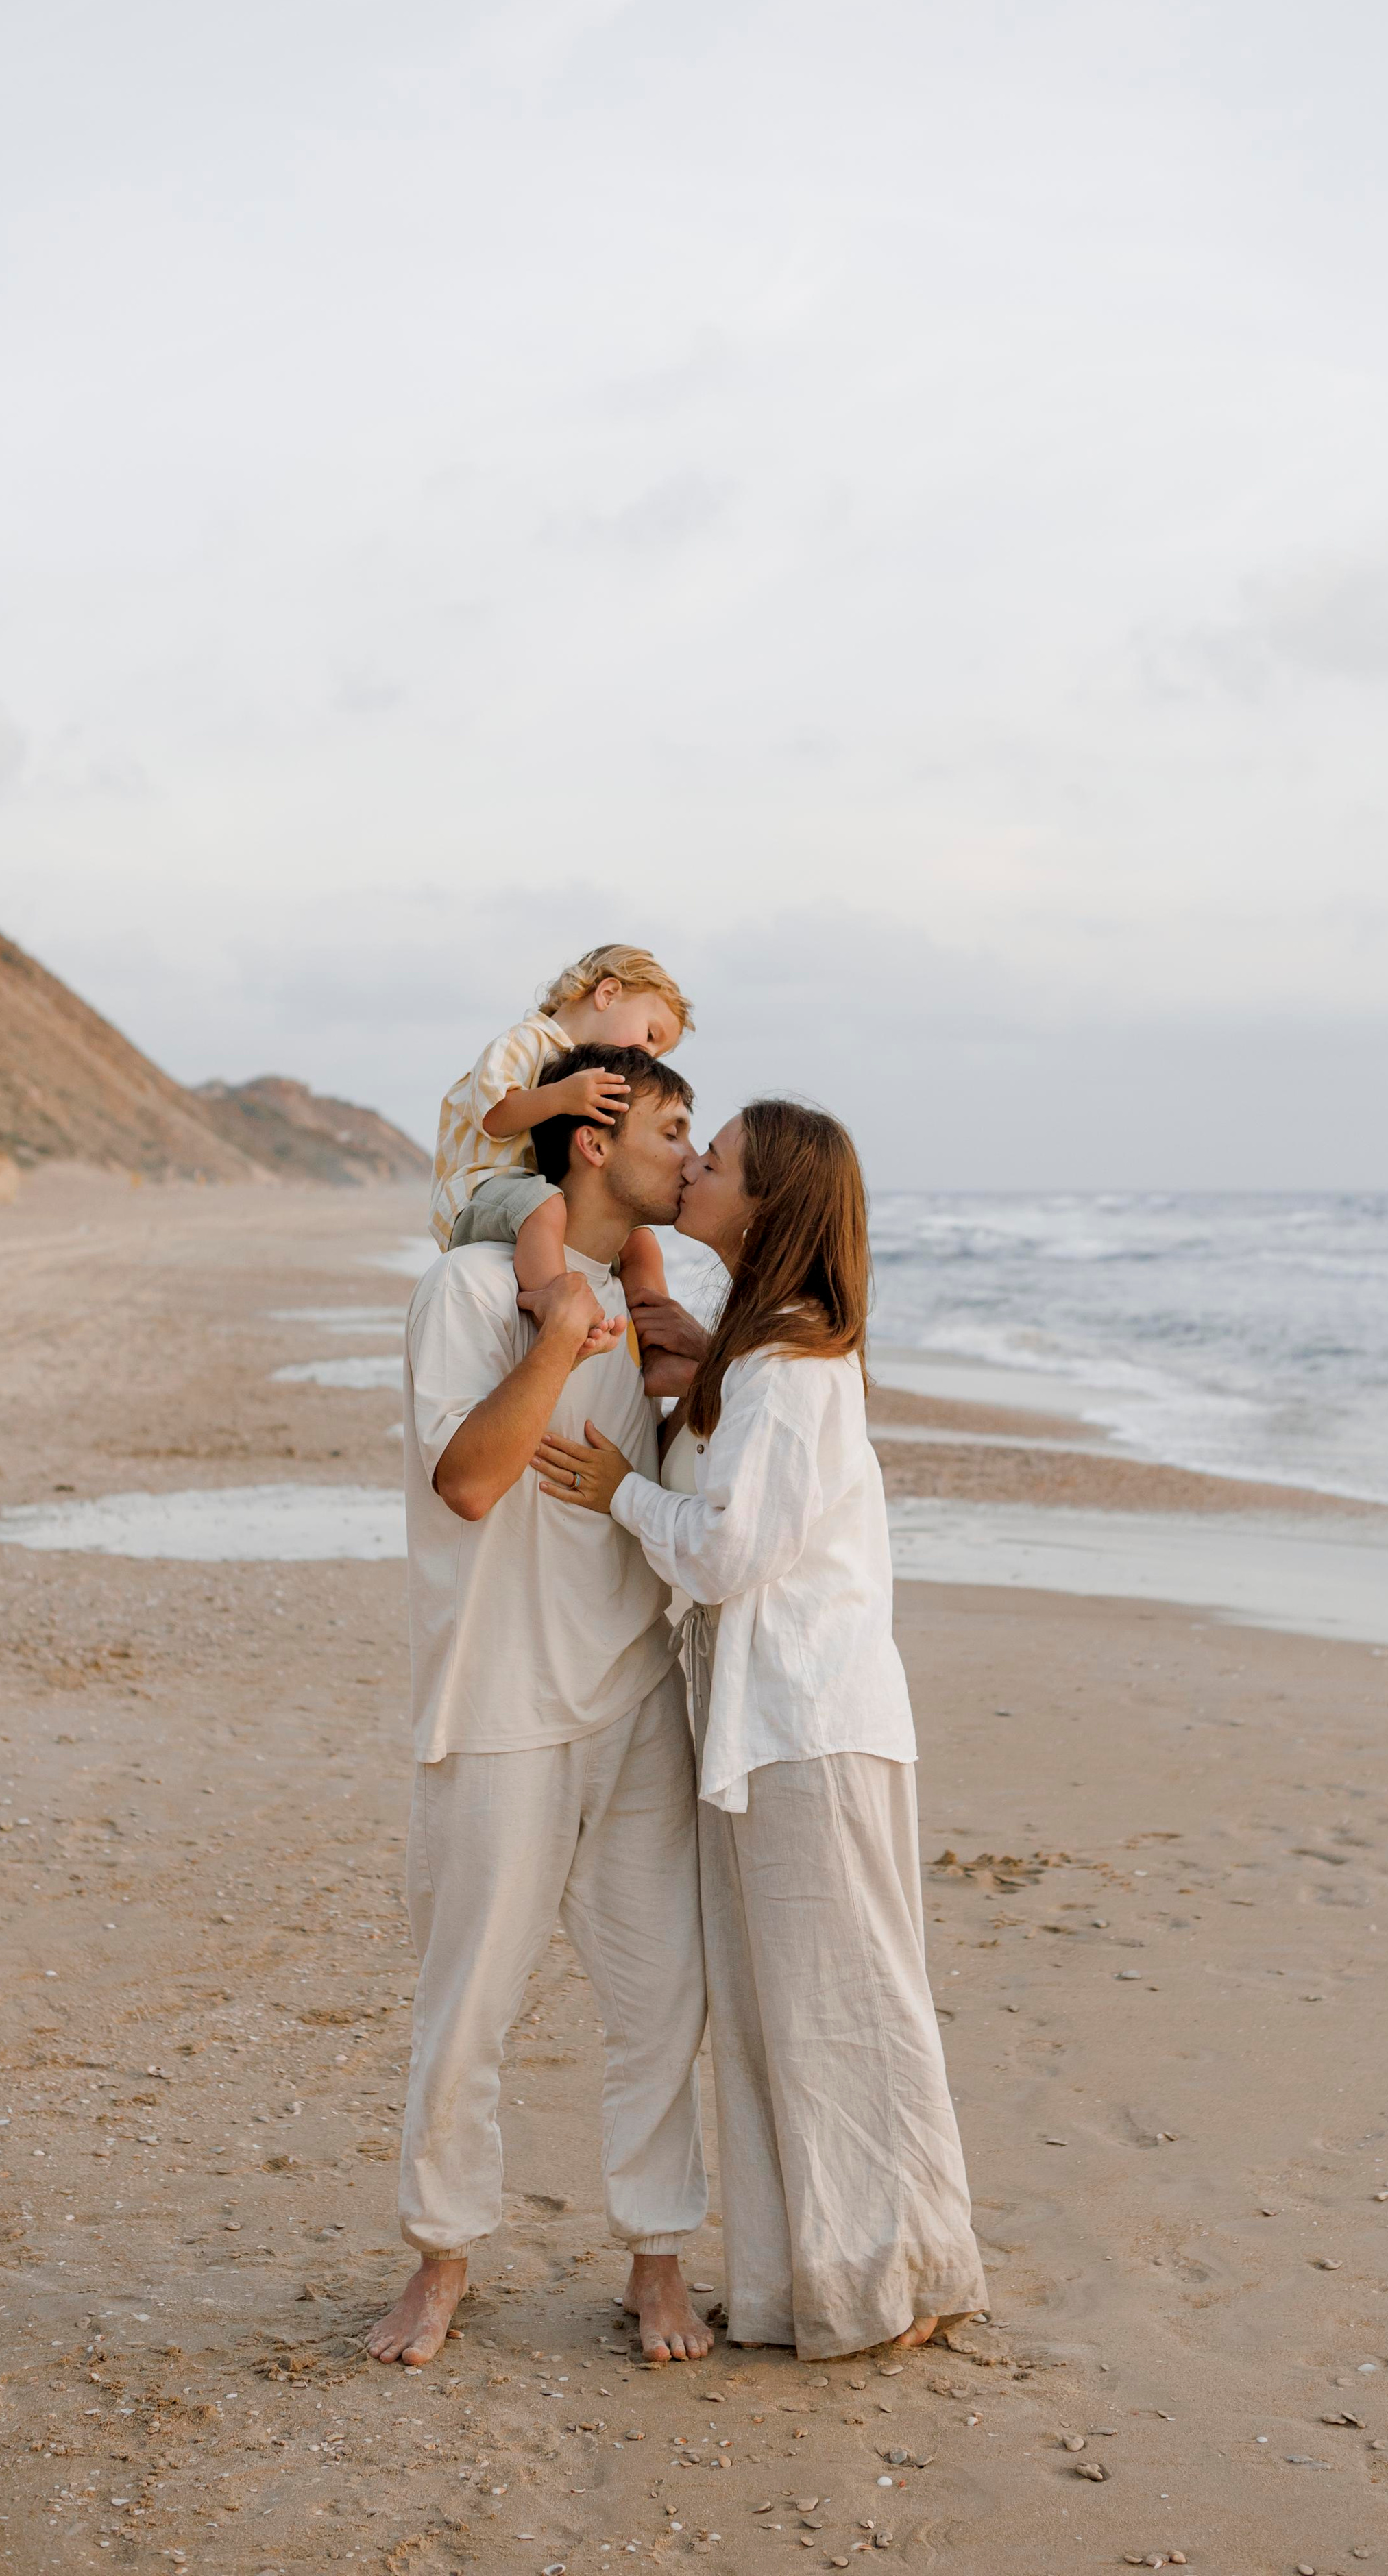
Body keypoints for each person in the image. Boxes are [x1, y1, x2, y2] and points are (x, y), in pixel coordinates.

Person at [533, 1101, 988, 2361]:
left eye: (717, 1160)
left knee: (846, 2010)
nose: (694, 1167)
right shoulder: (764, 1352)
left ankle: (892, 2282)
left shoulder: (790, 1364)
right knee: (785, 2012)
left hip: (809, 1728)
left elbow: (730, 1553)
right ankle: (819, 2283)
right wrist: (683, 1381)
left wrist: (617, 1487)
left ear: (769, 1204)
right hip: (770, 1728)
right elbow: (739, 1504)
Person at [369, 1041, 714, 2368]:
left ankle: (657, 2263)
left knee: (660, 1998)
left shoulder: (663, 1312)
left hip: (634, 1689)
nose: (689, 1160)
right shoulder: (468, 1288)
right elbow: (466, 1482)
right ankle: (441, 2261)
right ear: (591, 1135)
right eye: (672, 1131)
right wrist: (558, 1334)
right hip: (499, 1700)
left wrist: (691, 1372)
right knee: (469, 2005)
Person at [426, 945, 694, 1343]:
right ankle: (558, 1313)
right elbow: (495, 1115)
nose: (649, 1054)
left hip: (536, 1196)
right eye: (651, 1035)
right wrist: (563, 1097)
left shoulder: (576, 1070)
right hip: (478, 1191)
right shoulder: (526, 1041)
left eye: (659, 1052)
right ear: (607, 994)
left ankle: (656, 1348)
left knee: (640, 1242)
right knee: (546, 1204)